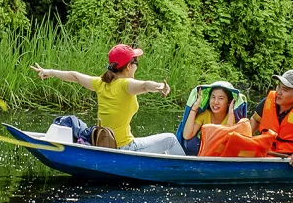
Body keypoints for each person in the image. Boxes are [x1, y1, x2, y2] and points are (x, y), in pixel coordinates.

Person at [31, 44, 185, 155]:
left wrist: (49, 71)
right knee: (170, 139)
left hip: (103, 143)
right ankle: (187, 170)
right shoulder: (126, 84)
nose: (137, 66)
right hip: (123, 147)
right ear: (128, 67)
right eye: (135, 62)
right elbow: (144, 86)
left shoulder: (101, 83)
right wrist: (159, 86)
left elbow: (75, 76)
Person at [180, 84, 239, 156]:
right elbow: (187, 136)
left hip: (221, 156)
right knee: (189, 142)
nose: (215, 102)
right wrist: (194, 109)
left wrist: (231, 115)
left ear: (229, 102)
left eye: (221, 98)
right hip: (204, 154)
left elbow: (227, 143)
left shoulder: (232, 117)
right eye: (213, 97)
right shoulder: (204, 115)